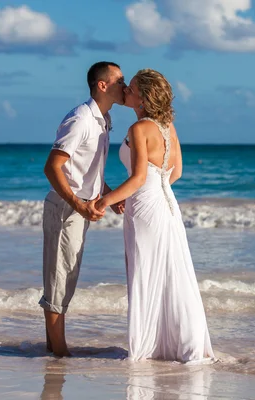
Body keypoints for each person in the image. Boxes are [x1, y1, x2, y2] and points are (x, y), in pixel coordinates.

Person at [96, 69, 215, 363]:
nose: (126, 90)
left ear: (143, 97)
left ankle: (148, 347)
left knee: (147, 272)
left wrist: (104, 201)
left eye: (131, 87)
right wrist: (154, 186)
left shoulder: (139, 130)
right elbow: (177, 172)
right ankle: (177, 344)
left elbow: (136, 179)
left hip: (145, 208)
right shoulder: (168, 127)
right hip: (167, 205)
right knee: (170, 272)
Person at [39, 61, 126, 357]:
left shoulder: (103, 119)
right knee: (59, 279)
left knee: (66, 276)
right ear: (103, 85)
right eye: (120, 80)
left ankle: (53, 350)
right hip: (66, 209)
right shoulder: (81, 118)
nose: (125, 86)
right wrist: (78, 204)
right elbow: (53, 167)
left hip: (79, 208)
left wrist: (108, 193)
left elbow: (86, 169)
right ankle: (60, 356)